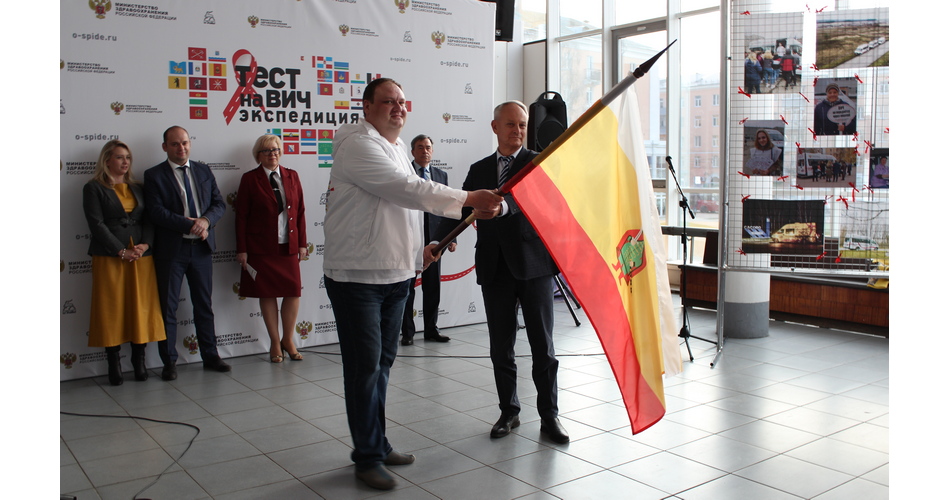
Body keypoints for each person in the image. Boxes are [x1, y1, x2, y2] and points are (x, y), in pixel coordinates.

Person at [323, 77, 502, 491]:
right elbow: (408, 191)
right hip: (357, 278)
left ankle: (376, 443)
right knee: (365, 369)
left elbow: (399, 213)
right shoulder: (358, 144)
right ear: (367, 107)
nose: (398, 108)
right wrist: (468, 198)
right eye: (388, 101)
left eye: (403, 102)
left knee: (381, 366)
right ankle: (367, 456)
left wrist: (419, 251)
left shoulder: (398, 146)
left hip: (396, 274)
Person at [433, 101, 570, 445]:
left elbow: (537, 202)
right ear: (495, 127)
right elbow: (462, 206)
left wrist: (504, 208)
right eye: (510, 124)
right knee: (500, 347)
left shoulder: (538, 162)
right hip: (495, 267)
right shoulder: (479, 169)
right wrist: (440, 240)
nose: (517, 131)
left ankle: (549, 416)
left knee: (543, 347)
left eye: (522, 125)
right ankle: (509, 411)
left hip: (534, 267)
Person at [144, 125, 230, 381]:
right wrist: (189, 224)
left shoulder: (203, 170)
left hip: (201, 249)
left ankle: (210, 355)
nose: (181, 148)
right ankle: (169, 361)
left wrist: (205, 221)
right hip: (172, 251)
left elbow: (219, 203)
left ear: (190, 143)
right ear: (165, 147)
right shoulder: (154, 175)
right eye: (174, 144)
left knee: (204, 305)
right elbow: (156, 212)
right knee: (168, 308)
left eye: (184, 143)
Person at [82, 140, 165, 385]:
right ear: (107, 160)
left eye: (127, 157)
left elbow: (149, 219)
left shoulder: (138, 187)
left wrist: (145, 245)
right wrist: (120, 251)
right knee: (111, 308)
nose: (125, 161)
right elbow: (96, 224)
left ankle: (139, 363)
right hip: (110, 256)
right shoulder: (93, 187)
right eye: (119, 157)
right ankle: (114, 364)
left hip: (140, 256)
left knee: (141, 307)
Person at [235, 134, 308, 363]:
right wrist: (242, 249)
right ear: (258, 155)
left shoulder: (292, 176)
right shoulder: (250, 179)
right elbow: (241, 216)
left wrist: (302, 243)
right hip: (261, 248)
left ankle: (288, 339)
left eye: (275, 149)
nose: (272, 154)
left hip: (288, 246)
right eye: (266, 151)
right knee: (267, 294)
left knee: (293, 291)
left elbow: (301, 211)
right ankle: (275, 342)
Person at [401, 134, 455, 346]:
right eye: (420, 147)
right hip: (410, 239)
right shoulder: (405, 174)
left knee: (432, 287)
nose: (425, 151)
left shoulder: (441, 175)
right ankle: (407, 332)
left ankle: (431, 329)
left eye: (428, 147)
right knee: (407, 288)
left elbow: (447, 208)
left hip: (435, 241)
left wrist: (450, 238)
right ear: (412, 152)